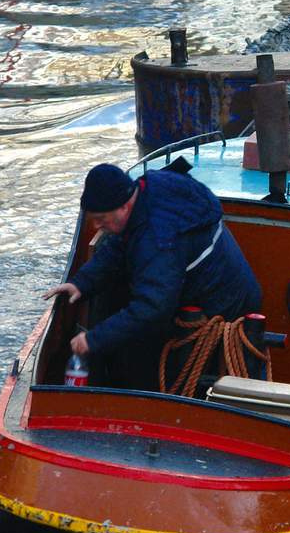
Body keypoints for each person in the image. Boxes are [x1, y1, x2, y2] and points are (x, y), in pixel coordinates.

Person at [44, 162, 261, 390]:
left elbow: (153, 307)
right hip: (215, 286)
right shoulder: (149, 188)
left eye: (101, 218)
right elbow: (120, 243)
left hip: (225, 307)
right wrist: (81, 283)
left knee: (152, 360)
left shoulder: (157, 239)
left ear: (124, 206)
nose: (97, 225)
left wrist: (93, 339)